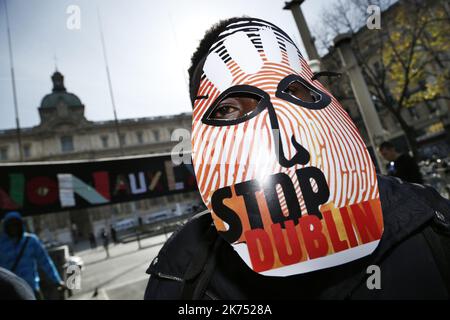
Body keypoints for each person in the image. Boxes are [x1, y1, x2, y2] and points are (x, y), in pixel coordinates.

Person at [144, 17, 450, 300]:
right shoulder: (183, 276)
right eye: (228, 109)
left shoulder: (428, 220)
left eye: (293, 89)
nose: (278, 129)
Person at [0, 211, 65, 299]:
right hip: (9, 291)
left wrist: (57, 280)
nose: (13, 228)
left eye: (16, 225)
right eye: (10, 225)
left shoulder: (31, 241)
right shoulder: (1, 244)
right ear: (6, 227)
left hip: (32, 288)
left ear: (20, 225)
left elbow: (45, 261)